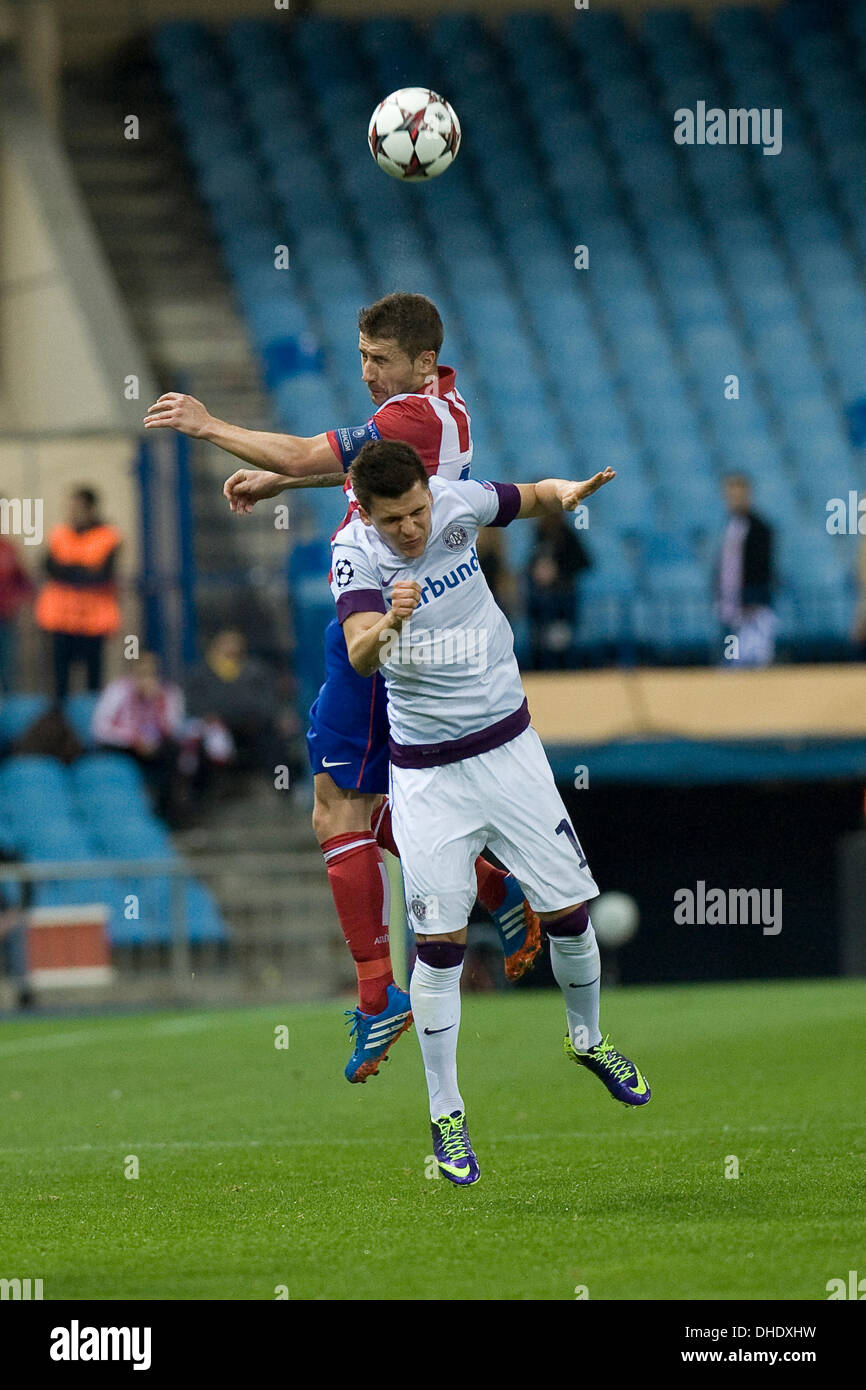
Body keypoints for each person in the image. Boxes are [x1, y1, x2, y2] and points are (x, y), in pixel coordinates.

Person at [143, 292, 543, 1082]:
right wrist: (278, 485)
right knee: (385, 804)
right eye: (361, 357)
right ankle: (498, 889)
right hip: (416, 621)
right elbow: (375, 481)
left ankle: (376, 996)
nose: (366, 373)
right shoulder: (442, 408)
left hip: (377, 620)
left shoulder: (411, 417)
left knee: (335, 809)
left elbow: (304, 453)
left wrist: (208, 425)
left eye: (380, 359)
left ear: (421, 361)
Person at [332, 440, 650, 1184]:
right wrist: (390, 623)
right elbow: (357, 655)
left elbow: (528, 495)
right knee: (439, 946)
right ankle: (447, 1118)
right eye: (394, 520)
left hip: (510, 749)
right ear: (366, 512)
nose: (410, 529)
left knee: (569, 909)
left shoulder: (456, 501)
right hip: (428, 775)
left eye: (416, 511)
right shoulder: (355, 554)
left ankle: (586, 1037)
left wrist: (565, 490)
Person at [34, 487, 122, 698]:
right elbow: (50, 568)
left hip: (93, 622)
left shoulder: (107, 536)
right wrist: (82, 569)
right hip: (60, 621)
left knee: (93, 679)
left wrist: (70, 569)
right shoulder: (59, 534)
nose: (72, 512)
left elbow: (101, 575)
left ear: (91, 509)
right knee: (60, 682)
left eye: (78, 507)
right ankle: (59, 724)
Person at [92, 651, 186, 821]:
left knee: (174, 750)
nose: (147, 677)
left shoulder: (169, 692)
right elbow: (101, 728)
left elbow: (174, 727)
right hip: (125, 746)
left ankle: (166, 814)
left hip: (154, 747)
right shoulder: (118, 690)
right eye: (142, 671)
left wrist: (157, 703)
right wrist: (134, 740)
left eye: (152, 671)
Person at [715, 474, 776, 667]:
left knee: (755, 660)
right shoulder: (729, 526)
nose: (735, 500)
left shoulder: (761, 528)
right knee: (730, 661)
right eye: (731, 495)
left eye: (739, 495)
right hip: (729, 605)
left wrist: (754, 600)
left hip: (752, 607)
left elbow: (763, 568)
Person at [527, 512, 592, 669]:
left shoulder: (568, 536)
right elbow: (531, 564)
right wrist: (537, 571)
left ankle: (564, 664)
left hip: (563, 597)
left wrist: (558, 572)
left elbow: (585, 562)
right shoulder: (540, 535)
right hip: (542, 599)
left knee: (563, 637)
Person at [0, 514, 35, 693]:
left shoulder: (8, 549)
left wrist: (18, 603)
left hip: (5, 621)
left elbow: (24, 582)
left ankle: (5, 717)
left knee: (6, 673)